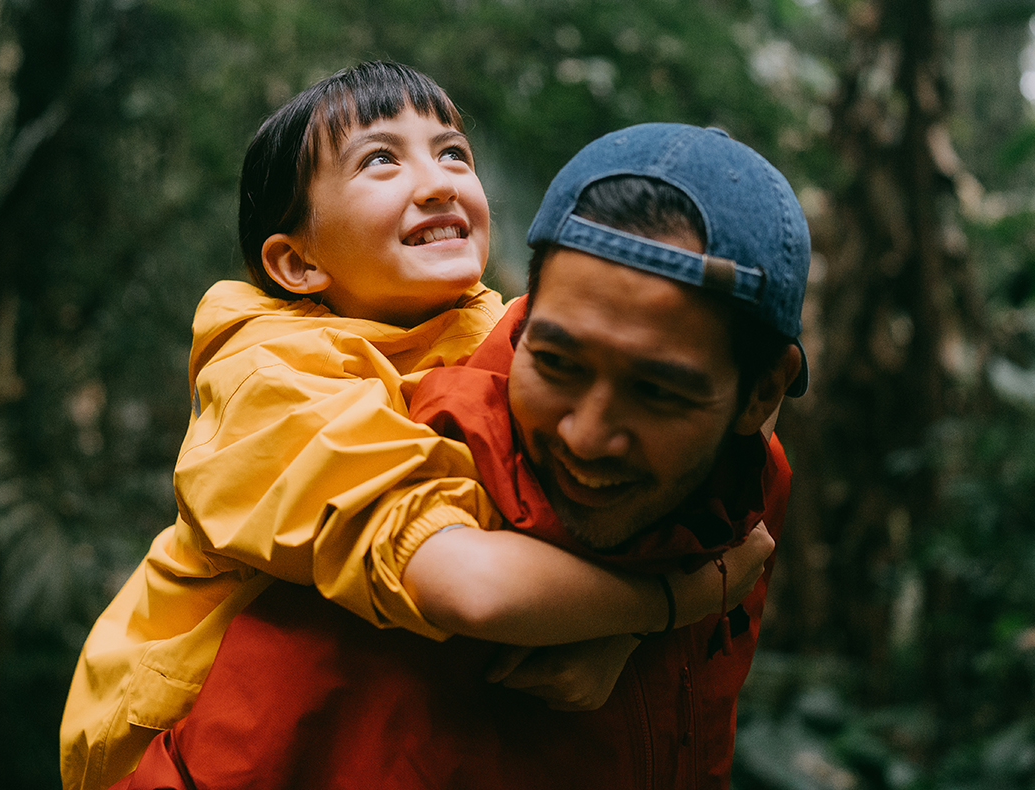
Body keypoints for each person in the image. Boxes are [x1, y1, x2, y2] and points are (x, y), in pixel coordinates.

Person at [60, 67, 757, 790]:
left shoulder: (504, 333)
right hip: (194, 746)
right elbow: (470, 587)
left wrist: (627, 633)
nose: (437, 183)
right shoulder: (265, 381)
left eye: (452, 152)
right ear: (297, 262)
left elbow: (738, 475)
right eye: (380, 160)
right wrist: (668, 604)